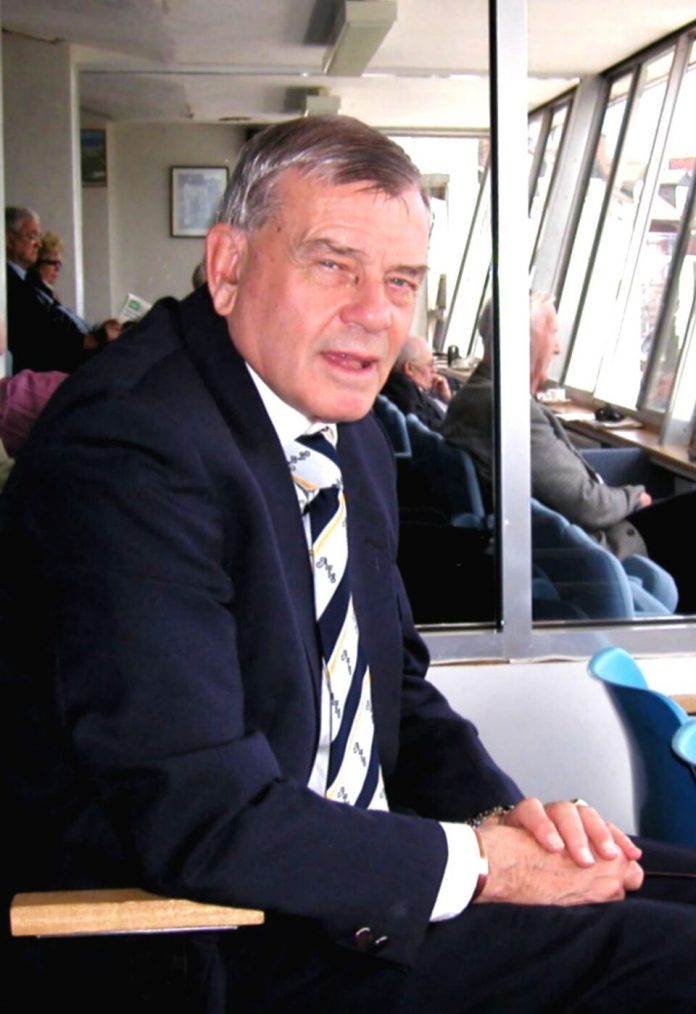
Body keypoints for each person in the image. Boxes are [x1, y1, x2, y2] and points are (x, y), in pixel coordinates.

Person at [1, 117, 696, 1013]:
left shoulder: (343, 430)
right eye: (334, 264)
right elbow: (201, 817)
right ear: (228, 266)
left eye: (401, 280)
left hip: (349, 877)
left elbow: (390, 685)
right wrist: (485, 867)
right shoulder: (129, 450)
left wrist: (500, 818)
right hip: (214, 940)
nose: (376, 313)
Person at [442, 293, 696, 611]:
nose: (559, 348)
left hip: (560, 538)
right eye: (553, 333)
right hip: (588, 548)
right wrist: (633, 496)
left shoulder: (476, 395)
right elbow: (587, 505)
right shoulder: (509, 410)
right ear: (523, 340)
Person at [5, 208, 115, 373]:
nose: (38, 244)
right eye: (32, 237)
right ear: (9, 240)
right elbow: (41, 337)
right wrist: (95, 339)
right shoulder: (9, 283)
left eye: (38, 237)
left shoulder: (28, 281)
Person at [381, 333, 451, 428]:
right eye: (430, 365)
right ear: (409, 368)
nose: (435, 370)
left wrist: (445, 399)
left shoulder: (401, 385)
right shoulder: (405, 394)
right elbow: (431, 430)